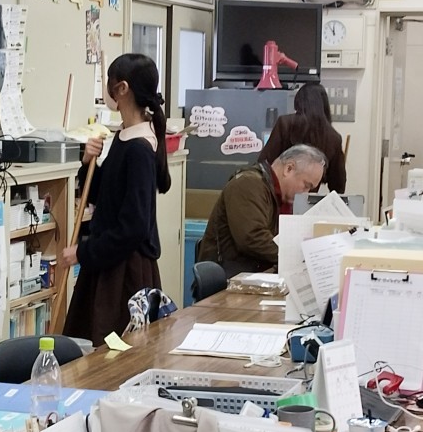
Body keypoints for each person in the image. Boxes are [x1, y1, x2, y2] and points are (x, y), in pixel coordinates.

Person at [60, 53, 171, 347]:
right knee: (93, 350)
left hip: (125, 275)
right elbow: (102, 197)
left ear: (122, 89)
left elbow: (133, 227)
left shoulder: (139, 148)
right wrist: (88, 163)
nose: (106, 89)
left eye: (108, 82)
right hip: (108, 264)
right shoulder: (123, 136)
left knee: (116, 355)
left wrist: (83, 253)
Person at [197, 144, 326, 279]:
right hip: (228, 280)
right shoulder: (248, 184)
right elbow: (252, 238)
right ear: (289, 168)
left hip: (249, 275)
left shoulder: (276, 195)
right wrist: (297, 258)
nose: (305, 193)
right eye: (306, 185)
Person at [258, 83, 346, 194]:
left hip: (278, 195)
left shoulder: (285, 123)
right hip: (307, 200)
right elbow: (338, 184)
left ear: (298, 102)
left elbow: (264, 163)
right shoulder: (333, 137)